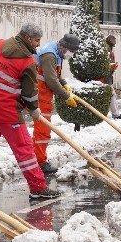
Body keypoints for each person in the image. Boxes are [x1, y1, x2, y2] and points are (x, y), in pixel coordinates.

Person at [0, 23, 59, 202]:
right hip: (7, 110)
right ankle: (38, 188)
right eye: (36, 40)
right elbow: (29, 93)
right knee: (24, 148)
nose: (38, 45)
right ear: (26, 37)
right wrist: (34, 109)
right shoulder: (27, 62)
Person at [32, 33, 81, 175]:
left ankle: (32, 157)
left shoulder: (56, 51)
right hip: (40, 94)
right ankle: (39, 162)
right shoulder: (49, 55)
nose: (72, 54)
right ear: (65, 47)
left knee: (42, 129)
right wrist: (66, 96)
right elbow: (51, 80)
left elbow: (56, 74)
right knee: (43, 129)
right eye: (72, 52)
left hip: (44, 94)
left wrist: (65, 84)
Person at [105, 35, 121, 119]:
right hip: (105, 78)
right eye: (113, 44)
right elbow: (105, 64)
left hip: (107, 77)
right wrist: (111, 67)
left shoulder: (108, 49)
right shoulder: (107, 50)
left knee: (111, 95)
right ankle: (116, 114)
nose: (114, 46)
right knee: (112, 94)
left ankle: (115, 114)